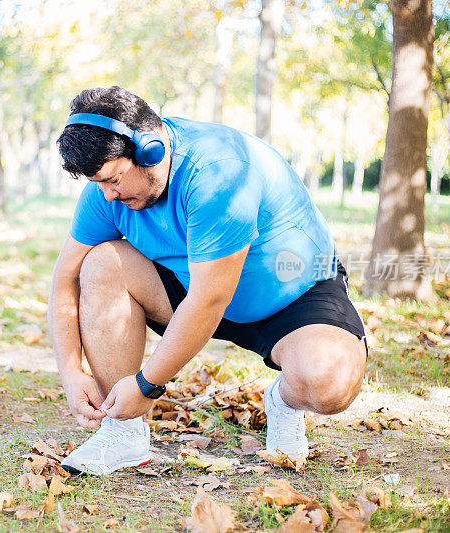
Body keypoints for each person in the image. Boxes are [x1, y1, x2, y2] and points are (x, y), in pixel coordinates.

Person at [48, 86, 367, 476]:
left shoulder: (220, 171)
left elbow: (209, 300)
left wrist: (146, 384)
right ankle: (123, 434)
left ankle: (284, 402)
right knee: (99, 263)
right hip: (191, 289)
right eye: (99, 183)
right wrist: (70, 370)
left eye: (112, 180)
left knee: (329, 385)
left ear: (151, 150)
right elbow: (64, 280)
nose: (107, 195)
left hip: (290, 294)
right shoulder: (107, 193)